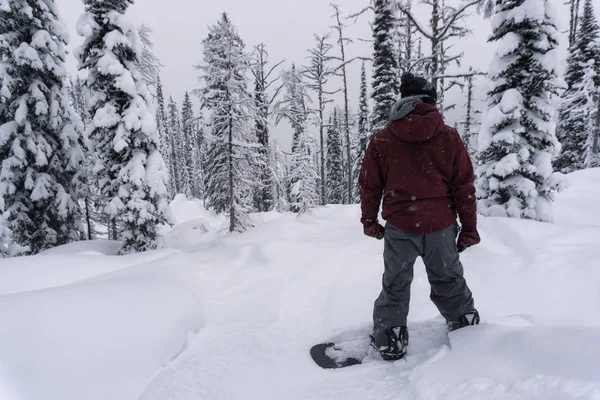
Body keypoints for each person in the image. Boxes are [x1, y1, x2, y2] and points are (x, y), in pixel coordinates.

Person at [358, 72, 481, 361]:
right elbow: (464, 186)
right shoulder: (448, 136)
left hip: (400, 227)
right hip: (441, 227)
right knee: (448, 279)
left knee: (396, 283)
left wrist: (369, 221)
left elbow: (369, 184)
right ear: (430, 101)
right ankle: (465, 326)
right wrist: (469, 228)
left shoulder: (383, 139)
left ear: (404, 100)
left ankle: (391, 337)